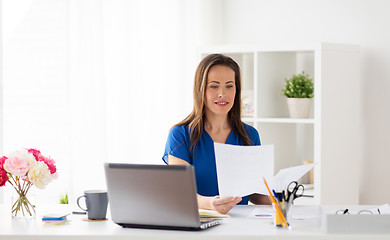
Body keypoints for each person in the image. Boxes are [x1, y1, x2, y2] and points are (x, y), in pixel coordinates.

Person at [162, 54, 271, 214]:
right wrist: (211, 203)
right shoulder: (180, 135)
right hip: (197, 223)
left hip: (240, 226)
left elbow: (254, 193)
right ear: (201, 89)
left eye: (229, 86)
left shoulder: (250, 135)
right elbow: (182, 192)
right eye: (214, 86)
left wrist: (278, 196)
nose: (222, 93)